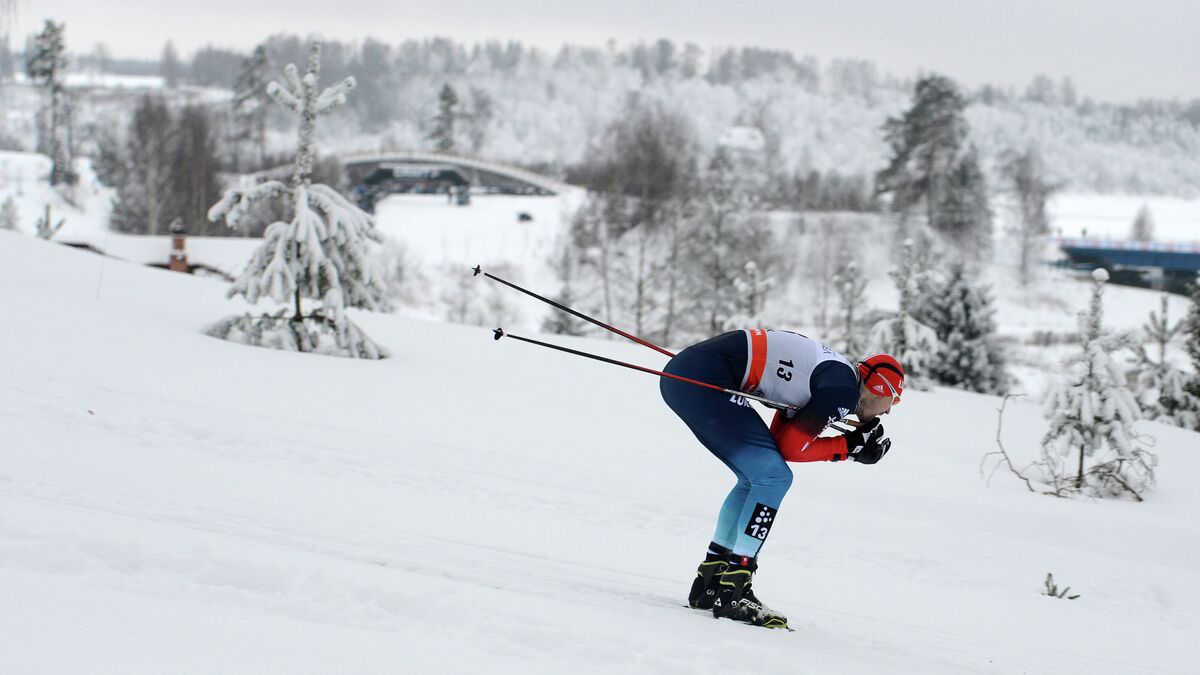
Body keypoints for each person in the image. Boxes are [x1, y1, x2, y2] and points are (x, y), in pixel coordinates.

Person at [660, 328, 903, 629]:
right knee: (774, 478)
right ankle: (734, 590)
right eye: (894, 399)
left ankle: (712, 581)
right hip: (702, 379)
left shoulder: (836, 378)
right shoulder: (842, 391)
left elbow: (780, 441)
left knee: (758, 477)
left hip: (693, 374)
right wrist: (847, 448)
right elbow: (791, 448)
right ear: (878, 389)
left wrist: (847, 449)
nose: (890, 411)